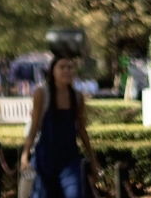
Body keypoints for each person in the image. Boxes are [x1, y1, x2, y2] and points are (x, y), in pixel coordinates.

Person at [22, 51, 99, 198]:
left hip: (70, 159)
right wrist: (25, 155)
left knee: (75, 194)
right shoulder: (42, 94)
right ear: (52, 71)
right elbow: (34, 126)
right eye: (62, 67)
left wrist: (93, 158)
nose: (66, 71)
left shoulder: (77, 96)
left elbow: (81, 129)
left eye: (70, 67)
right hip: (45, 158)